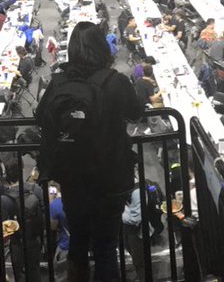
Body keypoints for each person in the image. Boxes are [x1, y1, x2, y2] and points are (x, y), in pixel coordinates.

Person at [35, 21, 144, 282]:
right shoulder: (115, 81)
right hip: (109, 176)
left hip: (72, 176)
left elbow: (40, 117)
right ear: (101, 47)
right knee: (106, 246)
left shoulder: (59, 82)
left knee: (78, 242)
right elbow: (136, 113)